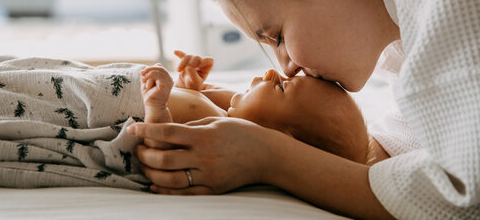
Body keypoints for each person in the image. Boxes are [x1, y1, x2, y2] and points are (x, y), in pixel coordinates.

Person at [126, 0, 480, 219]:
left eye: (277, 36)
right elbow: (393, 155)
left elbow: (460, 199)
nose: (285, 67)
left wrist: (268, 156)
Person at [142, 50, 380, 165]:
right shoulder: (233, 112)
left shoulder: (217, 135)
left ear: (281, 139)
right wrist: (192, 87)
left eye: (282, 88)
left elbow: (162, 149)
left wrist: (156, 108)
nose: (272, 72)